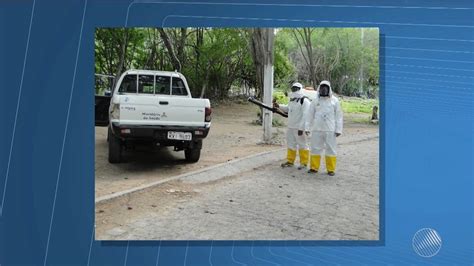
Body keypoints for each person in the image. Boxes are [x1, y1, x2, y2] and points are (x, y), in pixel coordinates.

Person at [306, 80, 343, 176]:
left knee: (331, 149)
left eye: (325, 88)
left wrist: (338, 129)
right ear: (319, 89)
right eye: (322, 87)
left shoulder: (335, 101)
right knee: (315, 148)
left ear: (329, 89)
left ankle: (331, 169)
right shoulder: (315, 101)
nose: (323, 89)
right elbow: (310, 115)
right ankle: (314, 167)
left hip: (330, 129)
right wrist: (307, 128)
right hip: (317, 129)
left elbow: (338, 116)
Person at [274, 82, 311, 170]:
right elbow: (288, 108)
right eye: (293, 89)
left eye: (296, 89)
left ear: (300, 89)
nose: (294, 90)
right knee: (291, 144)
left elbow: (306, 116)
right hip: (291, 126)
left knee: (302, 145)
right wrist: (279, 106)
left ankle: (304, 163)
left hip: (299, 128)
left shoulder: (305, 101)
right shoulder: (292, 100)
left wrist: (302, 128)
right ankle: (290, 161)